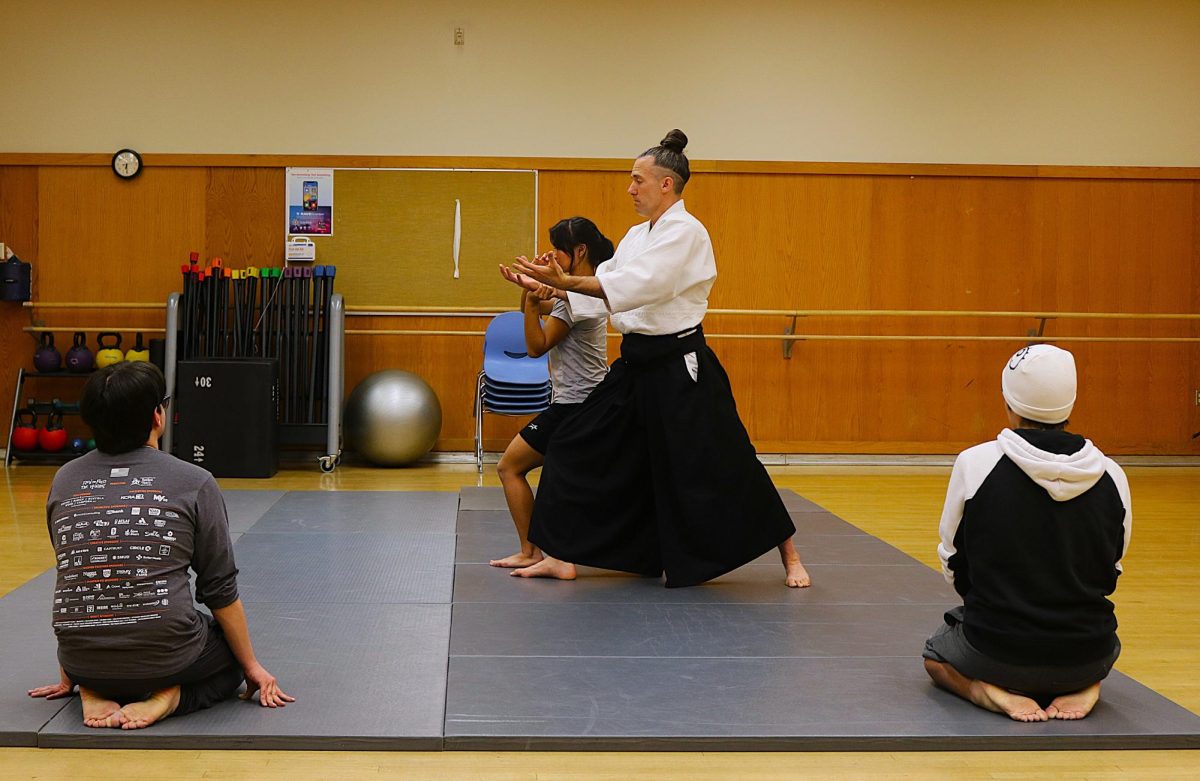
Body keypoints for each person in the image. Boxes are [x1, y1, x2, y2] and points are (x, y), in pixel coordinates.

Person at [506, 129, 810, 588]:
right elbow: (603, 291)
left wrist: (565, 283)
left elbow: (631, 287)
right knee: (571, 446)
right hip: (634, 368)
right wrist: (547, 288)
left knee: (726, 461)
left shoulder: (687, 233)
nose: (630, 189)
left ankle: (790, 555)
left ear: (665, 184)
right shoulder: (634, 236)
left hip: (681, 365)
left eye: (637, 180)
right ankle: (561, 554)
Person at [28, 362, 293, 729]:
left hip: (81, 660)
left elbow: (79, 572)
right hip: (168, 661)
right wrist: (252, 667)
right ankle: (171, 697)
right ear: (157, 415)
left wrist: (72, 671)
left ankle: (93, 689)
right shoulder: (194, 480)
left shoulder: (64, 479)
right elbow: (219, 588)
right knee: (232, 661)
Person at [922, 344, 1132, 722]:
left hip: (997, 650)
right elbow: (1112, 567)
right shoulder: (1112, 474)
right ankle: (1087, 684)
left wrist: (983, 600)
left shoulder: (976, 462)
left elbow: (953, 557)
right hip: (1088, 652)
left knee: (936, 656)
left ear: (1009, 403)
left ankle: (983, 690)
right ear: (1070, 402)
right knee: (1092, 643)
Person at [489, 216, 614, 571]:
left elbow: (536, 345)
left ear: (579, 251)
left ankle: (546, 555)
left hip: (577, 407)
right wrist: (530, 289)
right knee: (547, 475)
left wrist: (534, 297)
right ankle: (543, 554)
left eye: (557, 250)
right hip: (577, 404)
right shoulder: (577, 293)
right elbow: (535, 308)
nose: (551, 256)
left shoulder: (583, 298)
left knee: (510, 467)